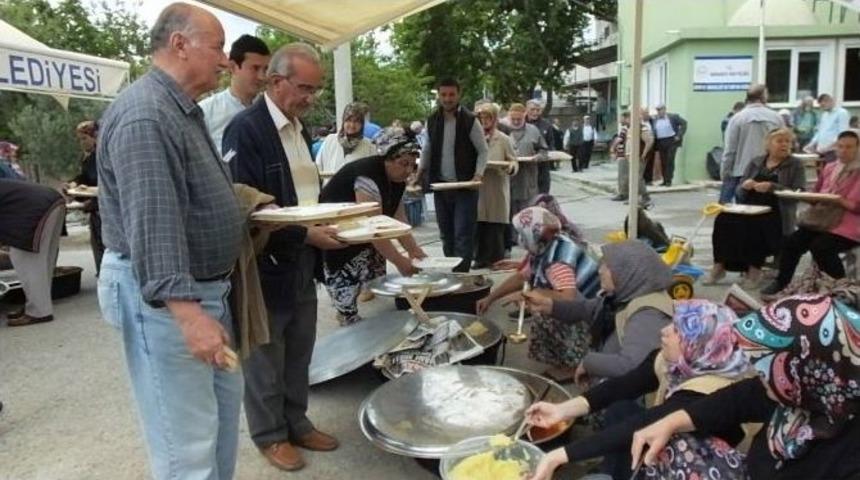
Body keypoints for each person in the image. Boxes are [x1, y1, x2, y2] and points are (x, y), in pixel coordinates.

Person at [96, 5, 245, 478]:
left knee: (217, 429)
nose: (225, 61)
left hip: (202, 294)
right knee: (187, 448)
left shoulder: (176, 107)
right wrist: (187, 314)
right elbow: (154, 224)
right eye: (218, 47)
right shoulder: (147, 115)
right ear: (180, 44)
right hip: (173, 302)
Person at [222, 42, 344, 472]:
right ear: (276, 82)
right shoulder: (246, 129)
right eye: (305, 88)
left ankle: (297, 420)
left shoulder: (298, 127)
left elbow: (303, 194)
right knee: (265, 354)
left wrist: (331, 223)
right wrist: (307, 234)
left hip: (303, 257)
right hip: (267, 263)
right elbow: (248, 206)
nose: (311, 98)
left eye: (316, 89)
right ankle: (269, 434)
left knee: (299, 347)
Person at [630, 294, 860, 480]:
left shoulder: (850, 452)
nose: (759, 375)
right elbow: (734, 401)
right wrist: (669, 423)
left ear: (808, 369)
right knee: (675, 442)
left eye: (770, 368)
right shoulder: (808, 393)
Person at [526, 300, 752, 480]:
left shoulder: (708, 392)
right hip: (660, 434)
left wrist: (557, 457)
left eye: (677, 330)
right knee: (620, 408)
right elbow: (623, 386)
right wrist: (562, 410)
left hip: (691, 462)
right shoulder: (674, 361)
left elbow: (640, 426)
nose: (664, 331)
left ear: (699, 346)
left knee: (629, 429)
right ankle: (614, 471)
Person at [525, 240, 674, 384]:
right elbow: (584, 309)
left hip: (623, 397)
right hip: (610, 386)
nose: (600, 270)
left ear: (627, 272)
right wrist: (548, 305)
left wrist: (588, 362)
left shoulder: (648, 314)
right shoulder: (622, 296)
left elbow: (630, 364)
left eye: (607, 266)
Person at [319, 129, 426, 326]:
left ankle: (363, 298)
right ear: (387, 158)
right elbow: (375, 229)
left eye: (412, 165)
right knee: (348, 268)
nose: (408, 171)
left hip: (362, 229)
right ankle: (347, 315)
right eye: (404, 164)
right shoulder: (366, 176)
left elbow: (398, 219)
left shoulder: (397, 179)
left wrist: (414, 250)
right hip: (338, 229)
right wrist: (401, 262)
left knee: (373, 264)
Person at [477, 207, 595, 369]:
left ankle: (574, 365)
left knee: (543, 309)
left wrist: (529, 294)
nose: (519, 238)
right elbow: (522, 277)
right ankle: (562, 361)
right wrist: (490, 298)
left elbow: (568, 297)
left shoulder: (558, 261)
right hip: (584, 304)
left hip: (592, 313)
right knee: (540, 306)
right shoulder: (546, 246)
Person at [761, 130, 860, 295]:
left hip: (849, 224)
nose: (843, 150)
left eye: (849, 147)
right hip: (822, 219)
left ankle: (841, 288)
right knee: (792, 242)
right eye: (840, 146)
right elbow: (817, 194)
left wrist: (837, 200)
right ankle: (781, 282)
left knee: (821, 247)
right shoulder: (830, 167)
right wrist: (802, 196)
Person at [707, 127, 806, 289]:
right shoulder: (756, 162)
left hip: (778, 213)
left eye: (787, 141)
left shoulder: (795, 164)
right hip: (750, 207)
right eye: (779, 141)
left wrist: (773, 187)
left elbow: (799, 193)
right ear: (768, 144)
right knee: (723, 219)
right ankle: (720, 266)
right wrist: (745, 186)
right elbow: (739, 193)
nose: (784, 145)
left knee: (755, 225)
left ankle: (754, 270)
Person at [414, 78, 488, 272]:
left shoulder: (470, 120)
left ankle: (462, 278)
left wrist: (478, 175)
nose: (447, 99)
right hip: (441, 186)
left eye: (451, 94)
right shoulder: (432, 120)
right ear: (438, 96)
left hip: (465, 187)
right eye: (444, 95)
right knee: (446, 234)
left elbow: (483, 150)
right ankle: (452, 274)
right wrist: (419, 172)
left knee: (463, 234)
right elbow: (427, 149)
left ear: (458, 95)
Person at [0, 179, 64, 326]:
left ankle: (39, 312)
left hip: (32, 208)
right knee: (42, 262)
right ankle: (38, 306)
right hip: (48, 200)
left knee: (26, 259)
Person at [199, 34, 270, 156]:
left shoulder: (271, 111)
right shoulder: (206, 112)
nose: (262, 76)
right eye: (255, 68)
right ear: (232, 67)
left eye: (265, 69)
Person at [720, 84, 784, 204]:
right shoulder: (776, 117)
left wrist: (725, 172)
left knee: (742, 210)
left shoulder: (737, 118)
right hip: (770, 172)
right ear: (763, 96)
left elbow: (730, 150)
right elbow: (783, 144)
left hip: (742, 171)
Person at [473, 102, 518, 268]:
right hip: (479, 185)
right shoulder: (473, 138)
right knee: (479, 224)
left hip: (497, 185)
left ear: (494, 119)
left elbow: (513, 159)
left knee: (495, 226)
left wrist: (511, 167)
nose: (484, 121)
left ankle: (497, 260)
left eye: (488, 117)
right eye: (481, 118)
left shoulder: (503, 139)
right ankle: (480, 258)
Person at [507, 103, 548, 253]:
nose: (516, 122)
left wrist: (538, 156)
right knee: (509, 209)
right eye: (513, 119)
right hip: (509, 177)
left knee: (528, 209)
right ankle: (511, 239)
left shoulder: (533, 131)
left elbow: (544, 150)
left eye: (519, 119)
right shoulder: (503, 130)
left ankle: (528, 239)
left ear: (524, 116)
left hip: (528, 177)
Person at [68, 120, 104, 275]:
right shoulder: (87, 158)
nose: (82, 143)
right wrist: (74, 183)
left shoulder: (103, 156)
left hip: (105, 210)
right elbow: (85, 177)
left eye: (85, 139)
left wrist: (93, 200)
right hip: (96, 210)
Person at [314, 102, 375, 174]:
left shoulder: (369, 146)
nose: (352, 125)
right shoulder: (330, 140)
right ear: (343, 121)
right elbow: (318, 167)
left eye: (356, 121)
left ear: (362, 124)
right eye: (349, 120)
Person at [611, 110, 654, 208]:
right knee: (631, 178)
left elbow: (649, 141)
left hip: (638, 157)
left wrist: (644, 154)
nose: (621, 120)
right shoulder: (629, 128)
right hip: (630, 157)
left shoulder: (641, 128)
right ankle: (632, 198)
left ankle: (645, 197)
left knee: (637, 178)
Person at [647, 104, 687, 187]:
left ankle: (669, 180)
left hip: (671, 140)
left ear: (665, 109)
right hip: (660, 141)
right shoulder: (655, 119)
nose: (659, 112)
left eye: (660, 110)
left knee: (669, 160)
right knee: (663, 161)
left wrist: (679, 135)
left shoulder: (673, 117)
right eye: (657, 110)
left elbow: (684, 123)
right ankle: (664, 180)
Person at [804, 93, 851, 162]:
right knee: (821, 172)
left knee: (832, 171)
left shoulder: (842, 113)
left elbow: (843, 134)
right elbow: (819, 132)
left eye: (825, 102)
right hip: (821, 151)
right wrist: (810, 144)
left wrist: (829, 147)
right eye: (821, 104)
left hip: (834, 151)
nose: (822, 105)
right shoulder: (824, 115)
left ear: (831, 101)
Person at [526, 99, 556, 194]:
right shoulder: (520, 123)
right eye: (532, 109)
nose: (535, 112)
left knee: (542, 196)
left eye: (537, 110)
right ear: (527, 109)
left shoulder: (546, 125)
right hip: (525, 167)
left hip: (542, 167)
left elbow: (551, 144)